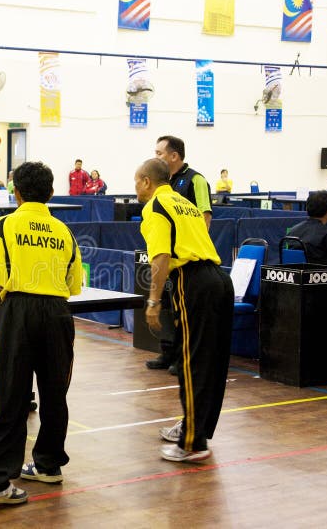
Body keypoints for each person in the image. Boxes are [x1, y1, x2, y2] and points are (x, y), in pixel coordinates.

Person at [0, 161, 83, 505]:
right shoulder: (64, 232)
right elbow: (73, 284)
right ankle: (49, 464)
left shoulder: (4, 225)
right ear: (51, 194)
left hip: (17, 311)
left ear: (16, 192)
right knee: (55, 393)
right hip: (57, 313)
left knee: (9, 393)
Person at [134, 157, 233, 463]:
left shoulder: (154, 207)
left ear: (148, 182)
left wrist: (153, 301)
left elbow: (161, 257)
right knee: (212, 362)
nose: (135, 186)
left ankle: (193, 443)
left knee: (192, 362)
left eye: (137, 180)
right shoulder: (185, 203)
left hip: (193, 282)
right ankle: (194, 426)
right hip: (219, 279)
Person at [147, 135, 212, 373]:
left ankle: (182, 357)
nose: (156, 157)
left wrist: (192, 246)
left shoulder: (196, 180)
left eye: (159, 153)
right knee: (166, 307)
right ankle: (168, 353)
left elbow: (205, 217)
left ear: (174, 156)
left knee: (183, 312)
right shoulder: (164, 182)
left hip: (187, 260)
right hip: (168, 261)